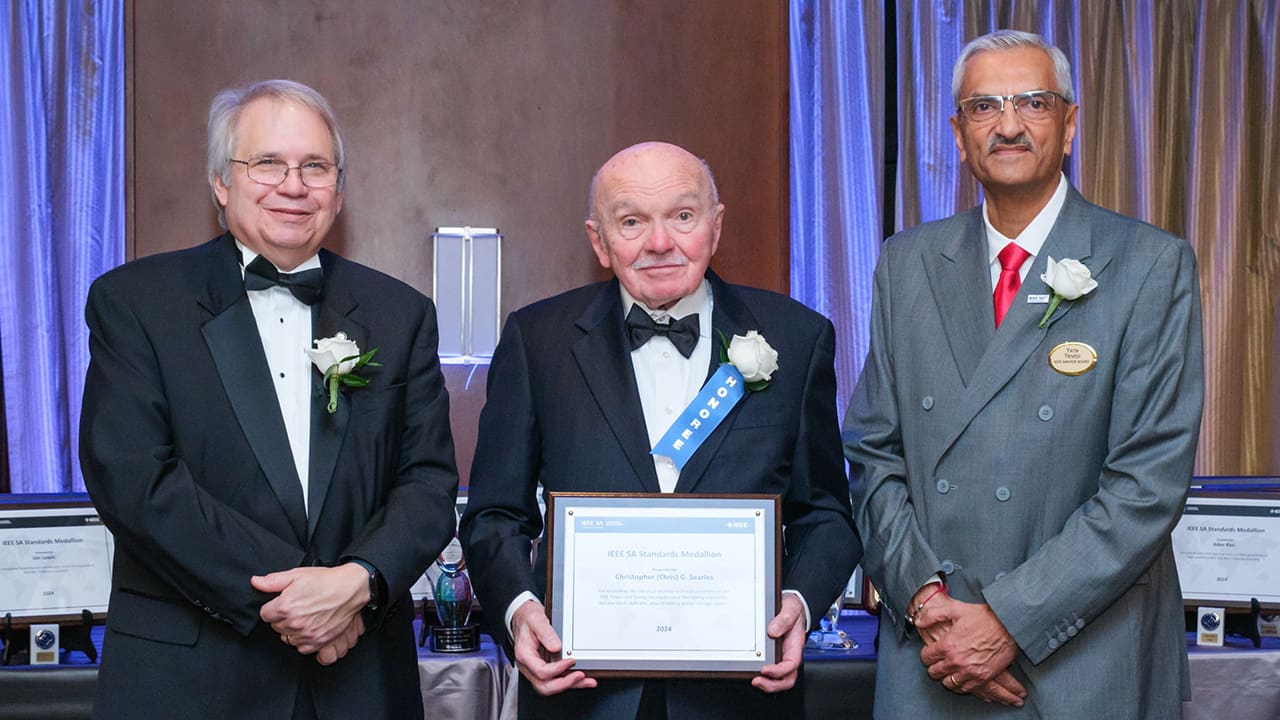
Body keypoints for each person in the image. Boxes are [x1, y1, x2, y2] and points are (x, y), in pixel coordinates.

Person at [843, 29, 1204, 718]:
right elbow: (872, 452)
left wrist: (1006, 620)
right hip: (935, 656)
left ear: (1069, 125)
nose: (1007, 125)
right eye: (984, 107)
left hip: (1087, 658)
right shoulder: (907, 263)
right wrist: (928, 601)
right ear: (957, 133)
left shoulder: (1149, 264)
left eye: (1032, 103)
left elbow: (1146, 485)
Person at [79, 79, 460, 719]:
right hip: (189, 680)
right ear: (221, 183)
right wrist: (308, 597)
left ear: (338, 191)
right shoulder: (136, 303)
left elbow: (428, 483)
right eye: (267, 163)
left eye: (315, 166)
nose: (293, 185)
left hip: (357, 681)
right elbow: (135, 481)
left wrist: (358, 582)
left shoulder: (402, 315)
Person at [459, 141, 860, 719]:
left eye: (682, 216)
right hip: (581, 694)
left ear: (715, 226)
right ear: (599, 241)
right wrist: (520, 610)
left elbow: (825, 513)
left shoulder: (797, 338)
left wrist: (798, 602)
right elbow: (495, 513)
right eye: (631, 222)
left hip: (743, 698)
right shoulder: (537, 341)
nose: (659, 243)